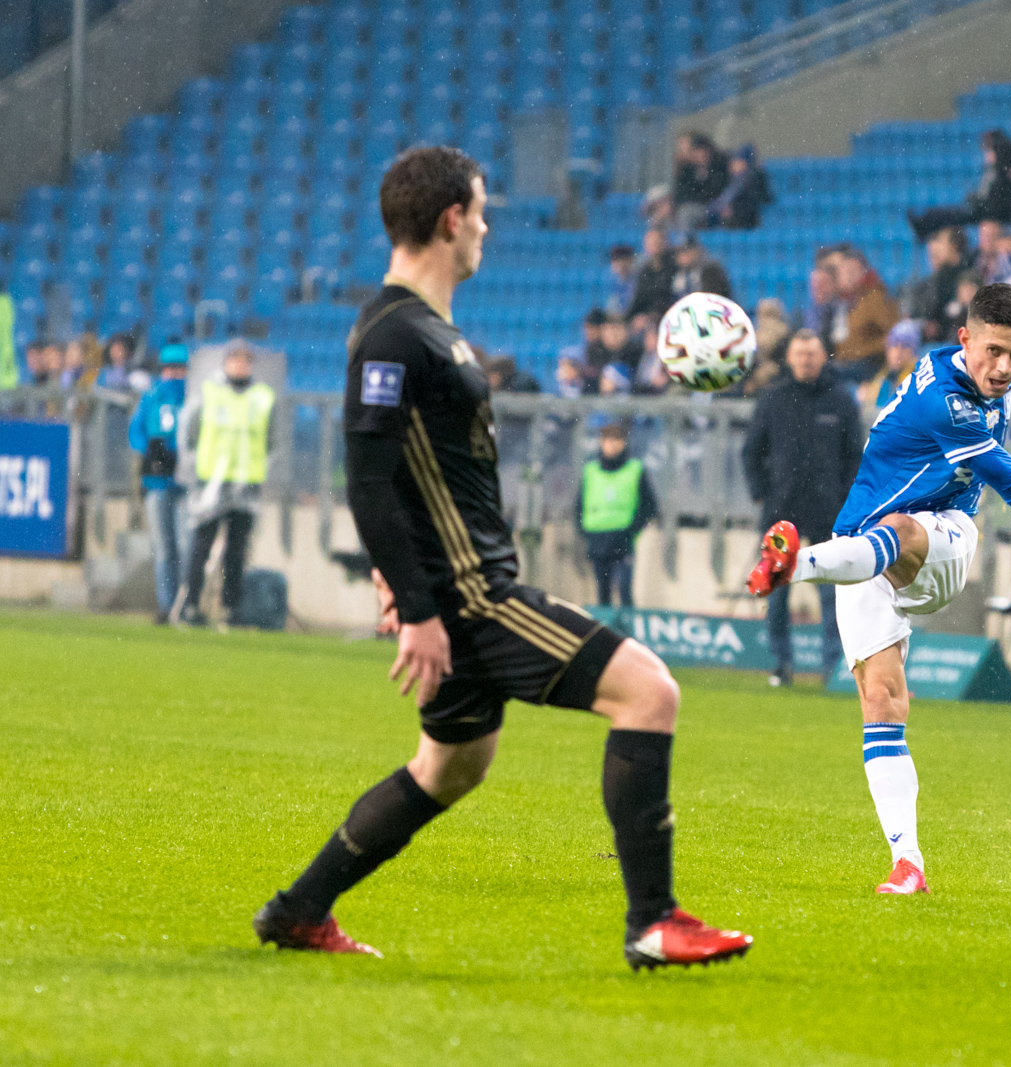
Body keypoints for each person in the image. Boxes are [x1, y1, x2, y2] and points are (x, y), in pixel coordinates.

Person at [251, 147, 751, 969]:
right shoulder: (393, 333)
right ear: (452, 218)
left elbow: (406, 474)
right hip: (472, 596)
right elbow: (369, 476)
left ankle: (299, 908)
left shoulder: (424, 330)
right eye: (480, 210)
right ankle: (654, 921)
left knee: (449, 768)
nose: (485, 226)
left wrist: (395, 574)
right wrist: (415, 603)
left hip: (454, 589)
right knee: (649, 692)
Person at [743, 284, 1011, 894]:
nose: (1006, 368)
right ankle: (908, 863)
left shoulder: (968, 375)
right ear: (966, 340)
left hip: (943, 540)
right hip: (859, 553)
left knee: (901, 527)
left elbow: (1006, 487)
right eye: (995, 352)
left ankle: (795, 564)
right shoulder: (945, 399)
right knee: (882, 705)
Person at [741, 329, 861, 687]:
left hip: (829, 512)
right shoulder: (773, 398)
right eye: (800, 354)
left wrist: (847, 499)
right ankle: (782, 664)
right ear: (790, 358)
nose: (806, 360)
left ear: (823, 357)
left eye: (812, 354)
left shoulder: (840, 400)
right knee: (777, 591)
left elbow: (854, 455)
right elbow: (751, 451)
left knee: (832, 592)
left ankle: (833, 666)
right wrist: (761, 492)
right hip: (781, 510)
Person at [178, 343, 274, 627]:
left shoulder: (262, 397)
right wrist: (194, 471)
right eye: (235, 360)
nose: (240, 366)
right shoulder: (209, 393)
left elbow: (273, 442)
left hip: (246, 486)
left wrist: (262, 471)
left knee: (237, 551)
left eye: (246, 361)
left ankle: (230, 609)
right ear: (225, 363)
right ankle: (191, 604)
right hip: (211, 484)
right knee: (202, 546)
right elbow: (189, 433)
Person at [128, 341, 189, 623]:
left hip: (185, 481)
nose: (174, 373)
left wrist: (178, 452)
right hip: (157, 481)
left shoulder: (192, 396)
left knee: (185, 545)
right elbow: (136, 432)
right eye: (169, 368)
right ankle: (167, 604)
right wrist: (150, 450)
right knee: (164, 547)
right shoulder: (152, 396)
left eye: (179, 368)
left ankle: (185, 603)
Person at [576, 423, 658, 608]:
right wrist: (584, 531)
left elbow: (649, 505)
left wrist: (632, 530)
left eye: (616, 440)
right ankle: (606, 635)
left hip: (623, 538)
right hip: (597, 539)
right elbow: (579, 505)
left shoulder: (635, 469)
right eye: (607, 440)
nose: (611, 445)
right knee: (602, 593)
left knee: (624, 589)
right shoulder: (591, 470)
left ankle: (626, 632)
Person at [832, 250, 900, 383]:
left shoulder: (874, 298)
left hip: (868, 365)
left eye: (852, 270)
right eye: (844, 271)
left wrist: (863, 352)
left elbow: (892, 334)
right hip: (848, 364)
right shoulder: (843, 302)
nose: (848, 276)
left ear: (864, 271)